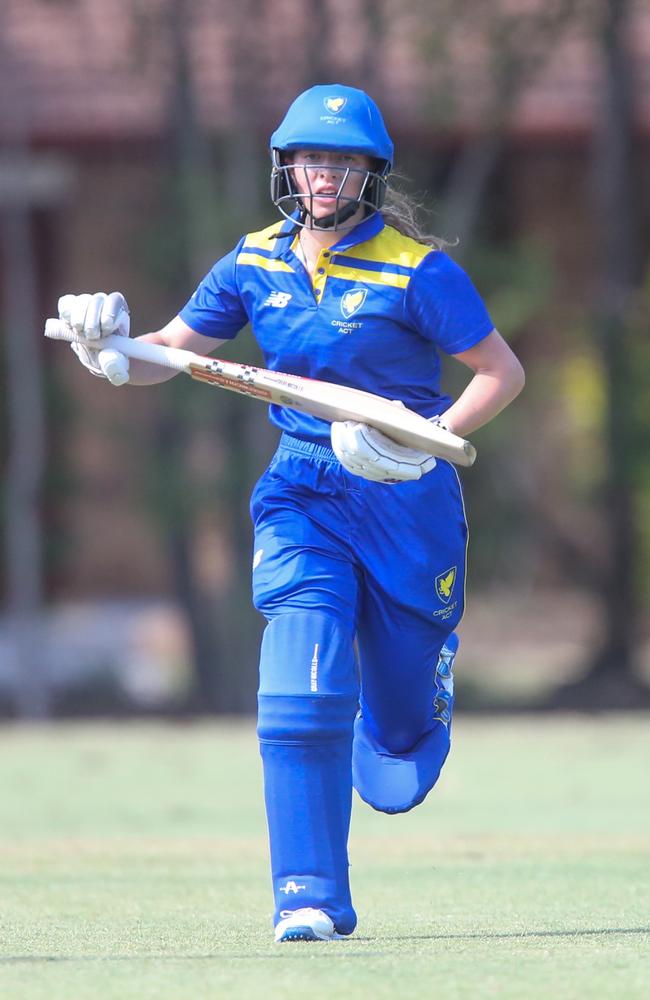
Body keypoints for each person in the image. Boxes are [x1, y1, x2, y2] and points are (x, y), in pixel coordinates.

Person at [57, 84, 525, 943]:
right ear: (287, 168)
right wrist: (115, 348)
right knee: (298, 675)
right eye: (313, 159)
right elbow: (172, 352)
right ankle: (308, 895)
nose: (326, 177)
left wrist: (427, 438)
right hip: (302, 488)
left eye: (344, 163)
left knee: (396, 763)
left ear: (369, 176)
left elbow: (501, 373)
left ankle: (421, 696)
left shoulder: (415, 269)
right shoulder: (254, 262)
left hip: (405, 495)